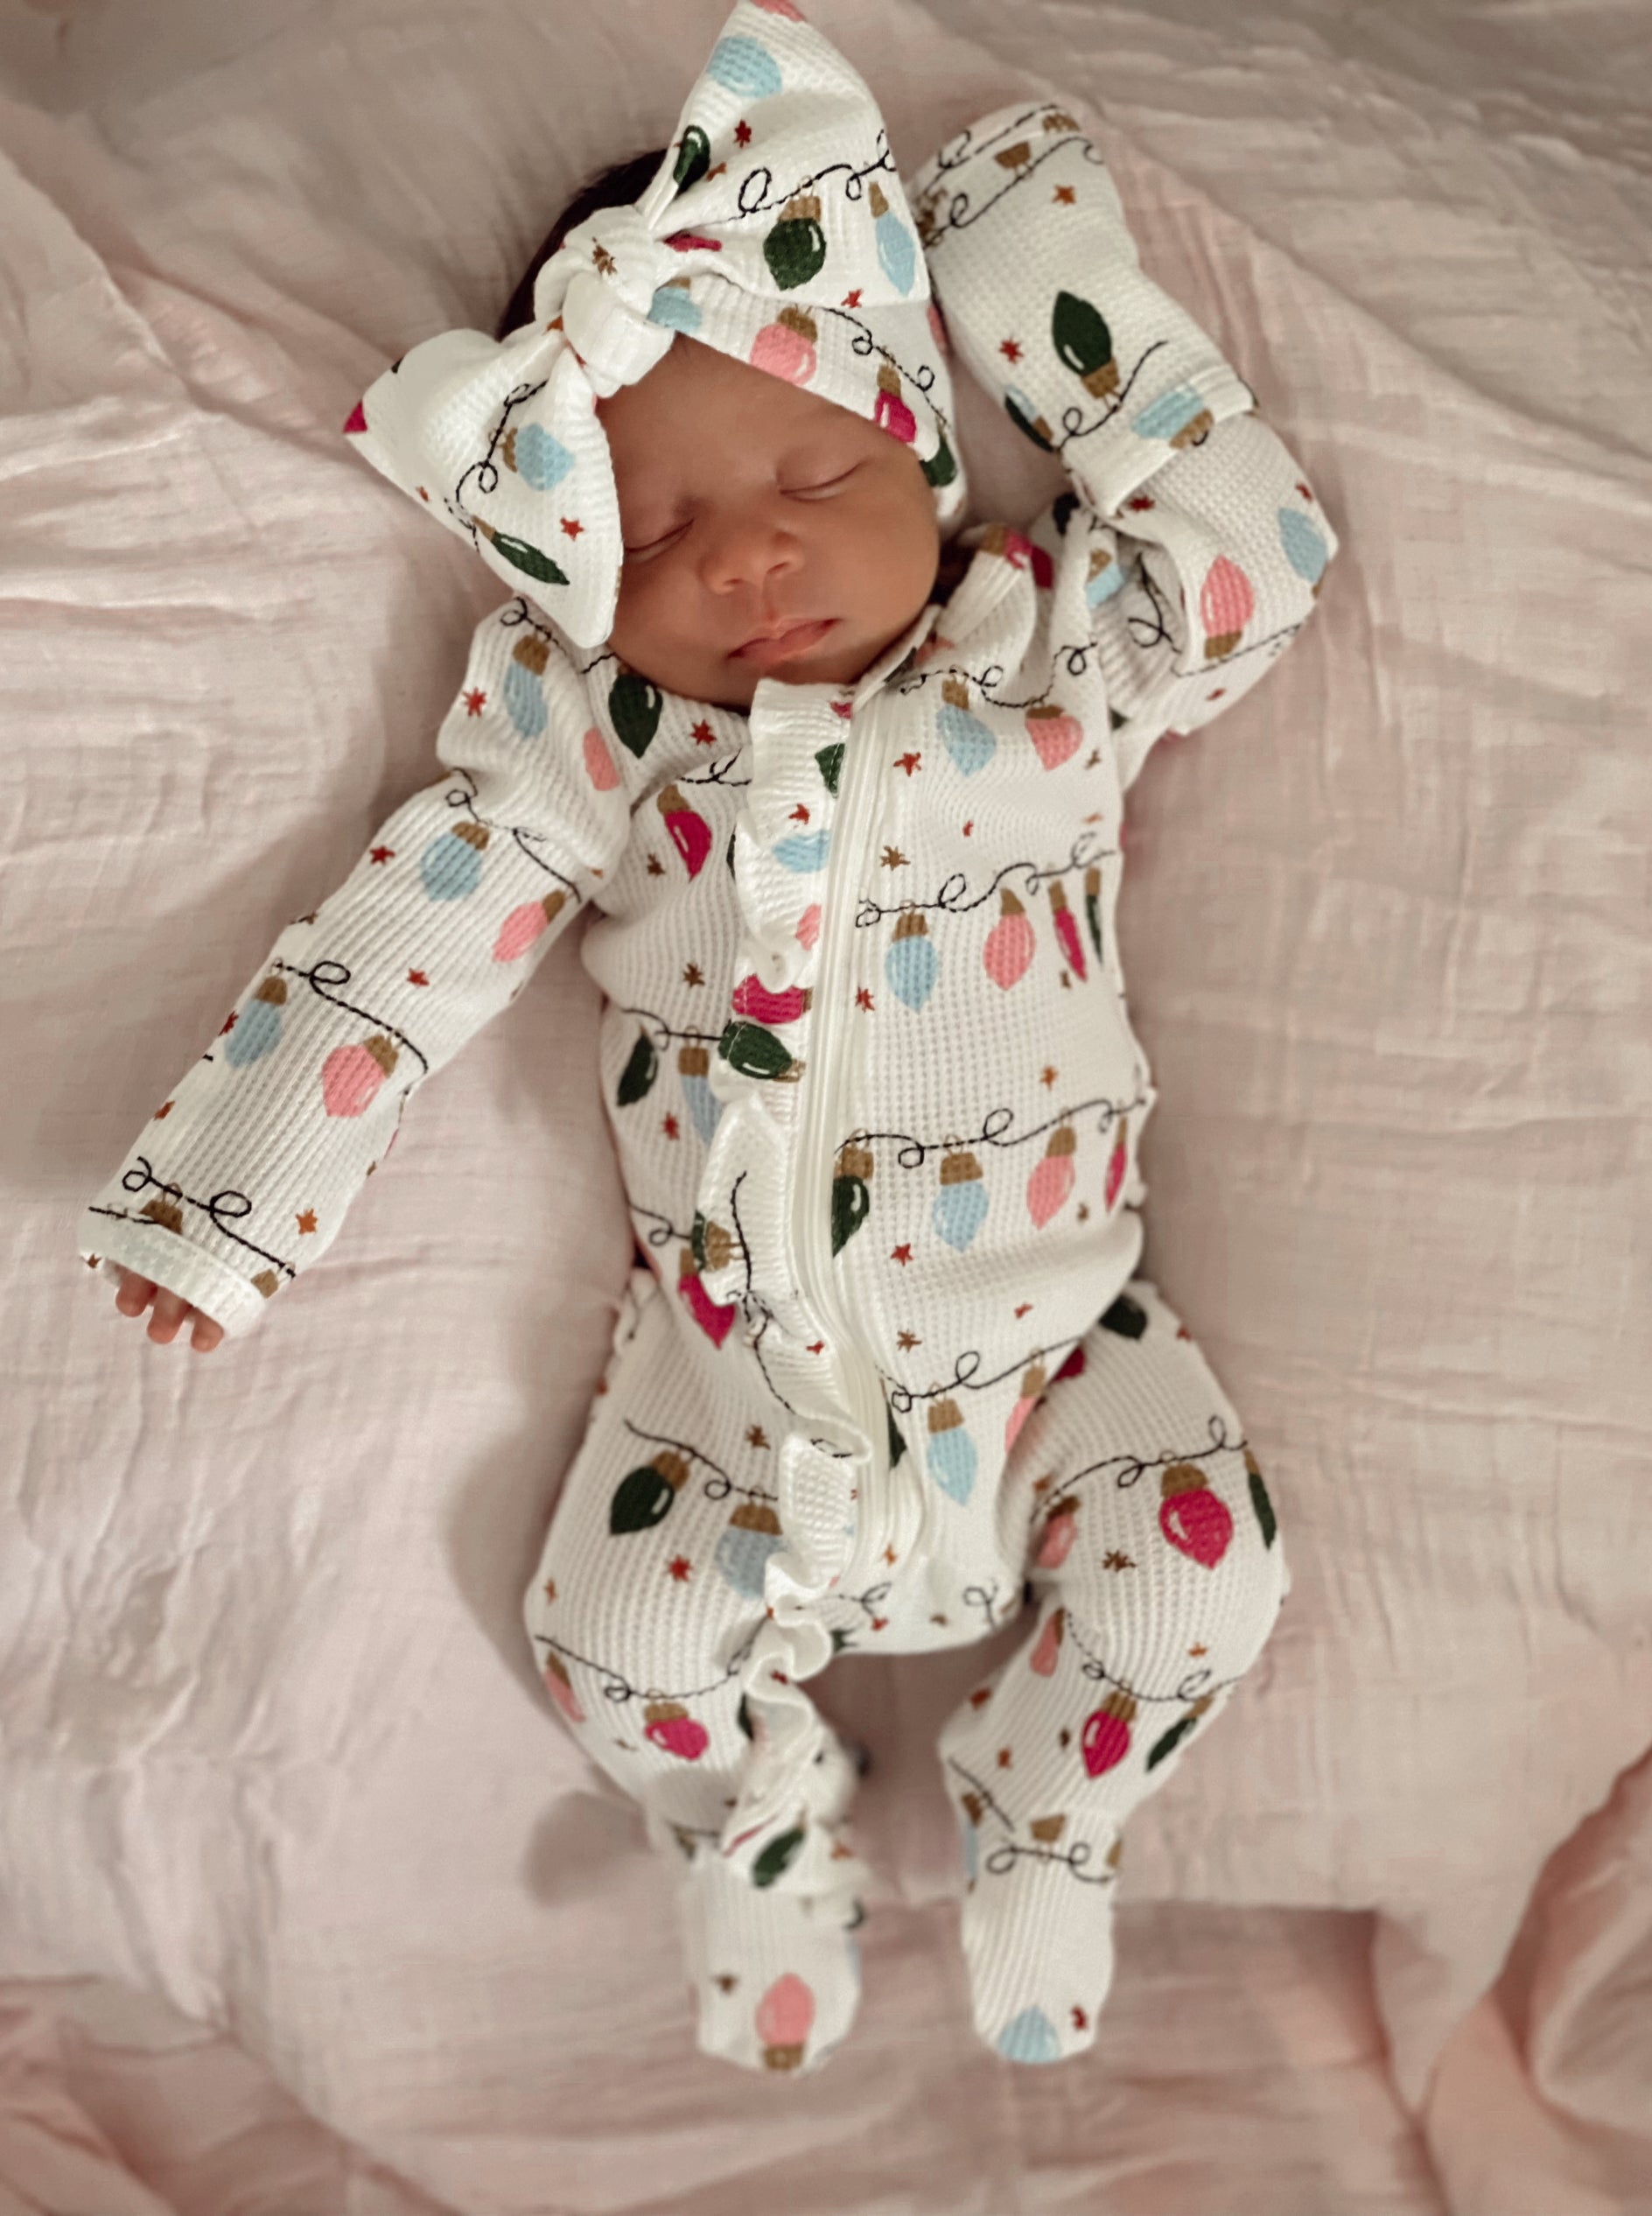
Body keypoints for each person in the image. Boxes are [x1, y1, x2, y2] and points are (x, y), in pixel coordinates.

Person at [82, 0, 1335, 2074]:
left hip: (1058, 1346)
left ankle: (1050, 1800)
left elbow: (1253, 560)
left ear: (921, 461)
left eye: (813, 472)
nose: (743, 551)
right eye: (654, 537)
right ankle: (754, 1825)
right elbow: (408, 937)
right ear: (573, 573)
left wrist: (1039, 286)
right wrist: (237, 1197)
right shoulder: (596, 737)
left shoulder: (1038, 653)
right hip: (721, 1388)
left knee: (1196, 1590)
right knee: (611, 1649)